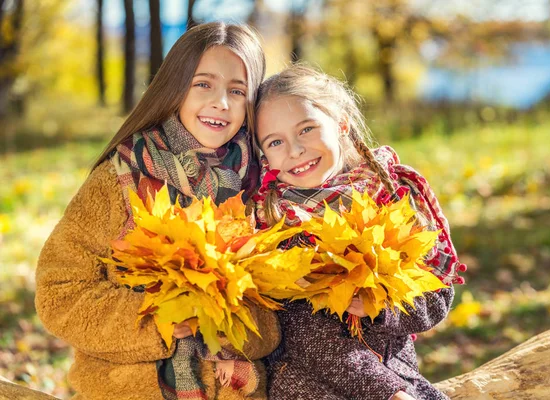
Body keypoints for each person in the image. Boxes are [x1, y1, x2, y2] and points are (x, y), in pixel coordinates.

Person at [35, 22, 280, 400]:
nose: (222, 102)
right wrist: (156, 319)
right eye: (204, 84)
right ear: (176, 86)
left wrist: (232, 329)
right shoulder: (120, 178)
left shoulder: (259, 187)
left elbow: (277, 310)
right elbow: (59, 292)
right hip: (128, 390)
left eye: (237, 90)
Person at [252, 65, 467, 400]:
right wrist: (388, 393)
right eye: (275, 141)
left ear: (341, 124)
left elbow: (436, 294)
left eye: (307, 129)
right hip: (305, 379)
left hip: (395, 365)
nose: (295, 150)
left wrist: (382, 308)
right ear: (263, 155)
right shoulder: (273, 222)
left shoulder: (392, 193)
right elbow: (303, 335)